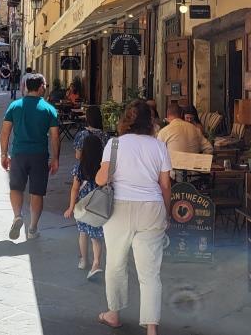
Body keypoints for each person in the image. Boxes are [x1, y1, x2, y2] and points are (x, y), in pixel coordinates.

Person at [96, 100, 172, 334]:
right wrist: (166, 212)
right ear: (150, 121)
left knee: (115, 264)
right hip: (152, 209)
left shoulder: (114, 144)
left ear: (125, 120)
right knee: (150, 272)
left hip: (119, 208)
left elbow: (101, 179)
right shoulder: (159, 146)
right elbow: (165, 185)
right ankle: (151, 327)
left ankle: (113, 314)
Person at [0, 74, 60, 241]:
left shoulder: (15, 106)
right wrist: (55, 158)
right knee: (37, 192)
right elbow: (55, 137)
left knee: (16, 188)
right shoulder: (49, 109)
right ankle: (32, 228)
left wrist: (4, 154)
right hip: (39, 155)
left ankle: (17, 216)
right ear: (40, 87)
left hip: (18, 153)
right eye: (45, 85)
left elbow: (5, 132)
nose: (46, 87)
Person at [64, 132, 105, 281]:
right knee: (96, 236)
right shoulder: (103, 167)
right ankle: (96, 263)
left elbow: (75, 189)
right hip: (97, 206)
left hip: (82, 207)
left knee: (82, 233)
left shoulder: (80, 167)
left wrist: (71, 207)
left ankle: (83, 260)